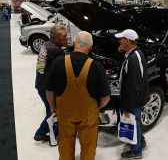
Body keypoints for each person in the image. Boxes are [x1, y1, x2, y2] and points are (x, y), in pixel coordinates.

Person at [46, 31, 110, 160]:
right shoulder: (97, 66)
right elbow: (105, 98)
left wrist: (53, 107)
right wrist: (96, 108)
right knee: (88, 146)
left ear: (74, 43)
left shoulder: (58, 62)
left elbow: (49, 91)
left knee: (65, 144)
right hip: (88, 116)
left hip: (64, 113)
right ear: (90, 47)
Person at [115, 29, 149, 159]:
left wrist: (128, 107)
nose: (119, 41)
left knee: (133, 124)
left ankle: (136, 151)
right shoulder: (134, 53)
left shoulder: (133, 59)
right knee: (136, 123)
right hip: (137, 99)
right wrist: (121, 51)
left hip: (134, 101)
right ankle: (141, 142)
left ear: (128, 41)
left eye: (121, 39)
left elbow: (134, 86)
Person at [34, 24, 67, 142]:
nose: (66, 38)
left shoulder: (45, 46)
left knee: (50, 109)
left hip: (40, 83)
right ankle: (41, 132)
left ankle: (52, 131)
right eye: (63, 36)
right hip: (48, 87)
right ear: (55, 37)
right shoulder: (56, 51)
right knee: (54, 110)